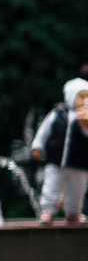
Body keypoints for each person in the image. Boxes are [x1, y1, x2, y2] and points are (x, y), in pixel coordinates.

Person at [31, 79, 88, 226]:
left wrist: (85, 124)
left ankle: (73, 212)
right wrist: (37, 146)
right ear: (71, 97)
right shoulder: (57, 113)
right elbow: (43, 131)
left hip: (79, 162)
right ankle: (47, 211)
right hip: (56, 161)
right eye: (81, 96)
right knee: (51, 186)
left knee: (77, 189)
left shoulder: (85, 117)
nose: (85, 100)